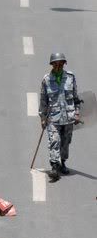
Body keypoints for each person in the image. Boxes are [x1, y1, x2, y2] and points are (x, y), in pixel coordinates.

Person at [39, 52, 81, 182]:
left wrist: (77, 113)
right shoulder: (46, 80)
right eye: (55, 64)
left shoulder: (70, 77)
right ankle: (54, 167)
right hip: (53, 117)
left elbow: (76, 98)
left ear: (64, 64)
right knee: (54, 140)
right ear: (52, 65)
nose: (58, 66)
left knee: (65, 142)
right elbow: (43, 100)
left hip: (68, 117)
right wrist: (43, 117)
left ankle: (62, 163)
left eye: (60, 64)